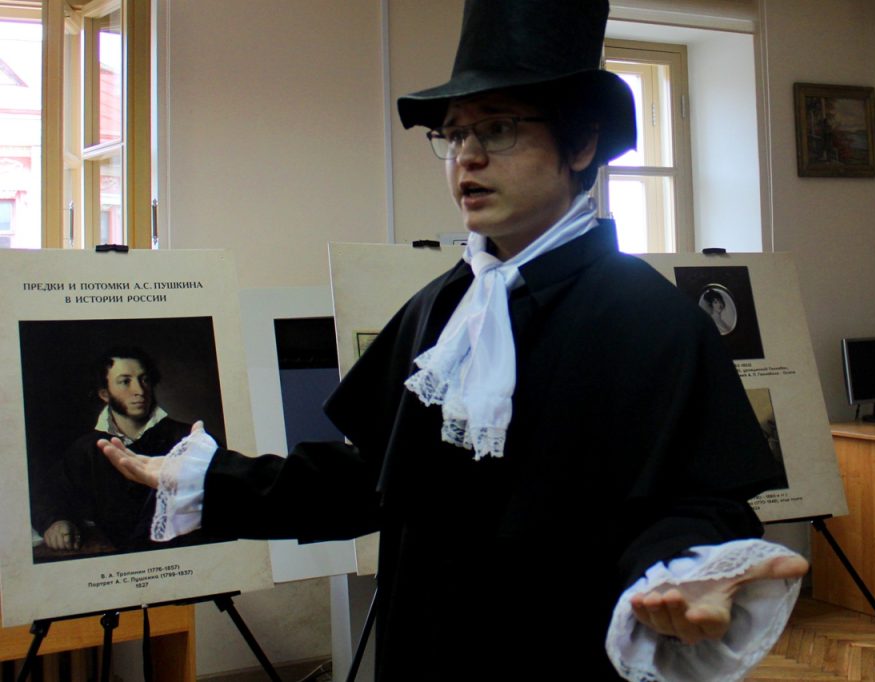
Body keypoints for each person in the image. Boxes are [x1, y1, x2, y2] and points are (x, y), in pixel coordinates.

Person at [102, 1, 808, 679]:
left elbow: (698, 501)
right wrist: (208, 479)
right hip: (428, 652)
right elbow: (373, 480)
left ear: (580, 143)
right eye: (452, 134)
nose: (466, 158)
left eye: (497, 128)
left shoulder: (651, 318)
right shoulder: (443, 308)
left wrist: (685, 572)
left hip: (562, 659)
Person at [33, 347, 193, 554]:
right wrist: (55, 521)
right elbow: (49, 495)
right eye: (125, 381)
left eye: (144, 379)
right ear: (105, 394)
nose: (139, 390)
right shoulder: (86, 449)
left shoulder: (188, 437)